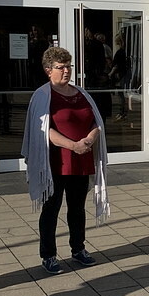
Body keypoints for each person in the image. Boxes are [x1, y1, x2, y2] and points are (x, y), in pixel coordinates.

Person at [22, 46, 109, 274]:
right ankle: (48, 255)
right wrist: (73, 145)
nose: (66, 71)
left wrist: (90, 139)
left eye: (69, 66)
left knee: (77, 208)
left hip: (81, 160)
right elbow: (42, 130)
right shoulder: (43, 96)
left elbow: (95, 121)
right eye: (61, 67)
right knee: (51, 209)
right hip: (55, 163)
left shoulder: (81, 93)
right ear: (48, 70)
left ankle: (78, 249)